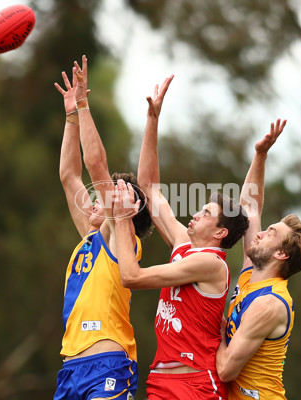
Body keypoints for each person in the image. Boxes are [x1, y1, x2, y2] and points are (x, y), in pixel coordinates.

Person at [111, 75, 250, 400]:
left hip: (195, 386)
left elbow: (131, 276)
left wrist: (121, 219)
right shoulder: (184, 245)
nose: (196, 214)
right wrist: (152, 119)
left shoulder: (210, 264)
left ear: (220, 232)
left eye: (206, 213)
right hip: (161, 381)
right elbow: (148, 186)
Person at [52, 55, 153, 400]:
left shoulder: (119, 233)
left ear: (129, 207)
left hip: (107, 364)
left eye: (109, 194)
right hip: (70, 370)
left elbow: (95, 165)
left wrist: (83, 105)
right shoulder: (92, 238)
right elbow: (69, 175)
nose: (97, 198)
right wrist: (70, 116)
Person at [215, 119, 301, 400]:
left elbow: (225, 370)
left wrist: (211, 327)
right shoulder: (251, 276)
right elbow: (249, 208)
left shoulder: (269, 304)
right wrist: (260, 155)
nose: (258, 235)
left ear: (281, 254)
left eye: (270, 233)